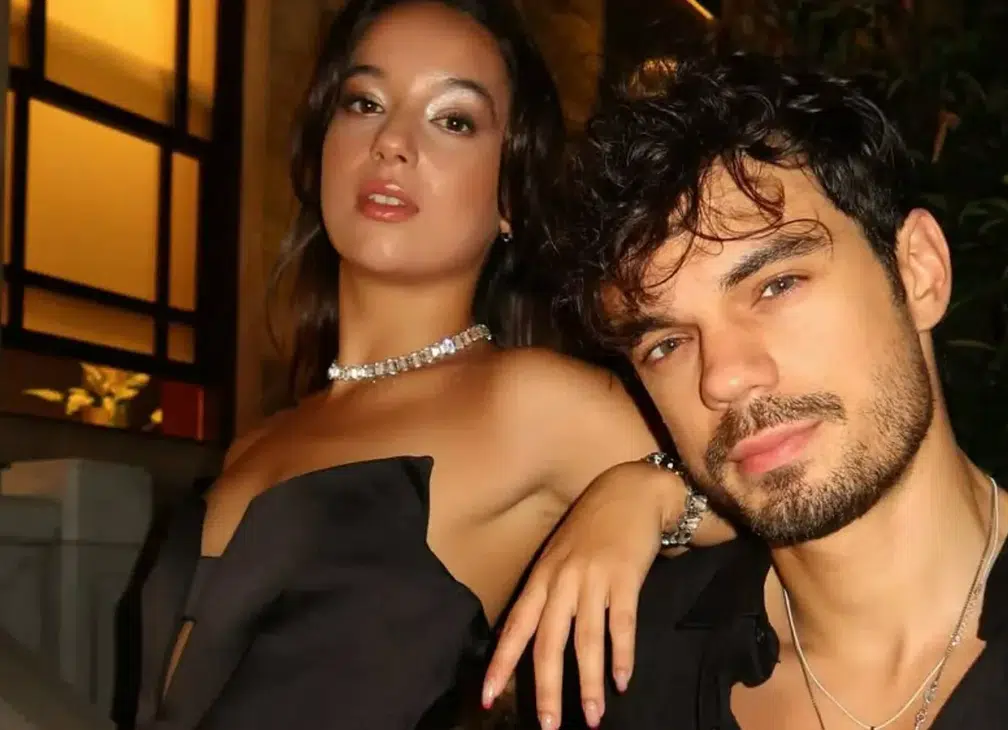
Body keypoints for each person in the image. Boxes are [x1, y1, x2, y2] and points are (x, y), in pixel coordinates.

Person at [537, 50, 1008, 729]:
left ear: (920, 271)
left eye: (778, 284)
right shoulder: (624, 671)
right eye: (666, 343)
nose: (723, 376)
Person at [130, 3, 731, 729]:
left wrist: (649, 493)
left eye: (453, 120)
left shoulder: (529, 404)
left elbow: (786, 513)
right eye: (364, 103)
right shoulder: (256, 442)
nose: (390, 142)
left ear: (510, 194)